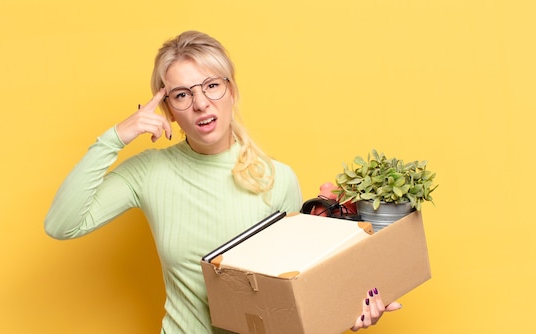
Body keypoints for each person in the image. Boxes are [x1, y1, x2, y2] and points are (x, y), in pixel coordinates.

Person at [45, 30, 400, 334]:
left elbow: (295, 296)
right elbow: (62, 225)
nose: (200, 103)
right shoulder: (147, 172)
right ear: (168, 108)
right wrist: (115, 137)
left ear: (231, 91)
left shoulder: (277, 179)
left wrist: (348, 312)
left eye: (212, 86)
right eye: (182, 94)